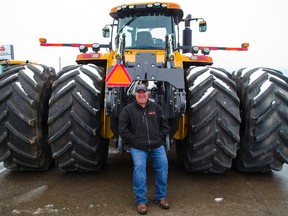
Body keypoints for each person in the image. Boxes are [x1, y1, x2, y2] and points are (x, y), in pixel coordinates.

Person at [118, 83, 170, 215]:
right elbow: (122, 129)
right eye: (139, 92)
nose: (141, 95)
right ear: (135, 94)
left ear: (147, 93)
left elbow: (165, 125)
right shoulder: (128, 110)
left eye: (144, 92)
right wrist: (132, 141)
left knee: (163, 167)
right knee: (139, 170)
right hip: (138, 147)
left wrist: (160, 138)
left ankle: (161, 198)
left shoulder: (156, 108)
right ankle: (141, 201)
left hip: (156, 145)